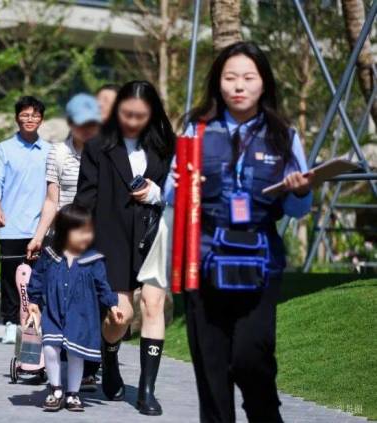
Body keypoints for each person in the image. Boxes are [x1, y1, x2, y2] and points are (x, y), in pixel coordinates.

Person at [169, 41, 313, 422]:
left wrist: (300, 190)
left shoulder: (284, 135)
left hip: (260, 265)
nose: (239, 86)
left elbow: (298, 210)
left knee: (252, 358)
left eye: (249, 77)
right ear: (218, 82)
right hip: (204, 264)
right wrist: (176, 184)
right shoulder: (196, 130)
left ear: (264, 83)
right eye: (230, 77)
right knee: (212, 373)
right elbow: (170, 194)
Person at [74, 81, 176, 415]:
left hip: (155, 234)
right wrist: (76, 242)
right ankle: (109, 353)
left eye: (140, 115)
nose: (132, 121)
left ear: (152, 114)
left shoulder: (167, 146)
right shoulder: (97, 145)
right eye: (127, 114)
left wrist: (156, 193)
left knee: (152, 306)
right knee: (121, 316)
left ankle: (146, 391)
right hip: (111, 237)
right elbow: (86, 198)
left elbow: (179, 191)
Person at [27, 204, 122, 412]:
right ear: (64, 231)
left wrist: (113, 305)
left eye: (89, 231)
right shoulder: (49, 255)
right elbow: (37, 278)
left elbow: (102, 285)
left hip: (81, 314)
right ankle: (56, 390)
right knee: (50, 347)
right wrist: (33, 301)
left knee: (75, 354)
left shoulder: (93, 259)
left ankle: (73, 393)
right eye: (81, 231)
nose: (86, 236)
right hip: (53, 312)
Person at [0, 96, 50, 344]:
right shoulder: (3, 149)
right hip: (11, 225)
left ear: (41, 119)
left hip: (41, 227)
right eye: (25, 114)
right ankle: (10, 323)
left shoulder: (50, 151)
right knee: (10, 278)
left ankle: (37, 323)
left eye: (35, 115)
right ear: (17, 118)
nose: (30, 119)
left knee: (41, 277)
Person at [26, 93, 101, 259]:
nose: (87, 129)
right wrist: (38, 237)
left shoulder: (109, 154)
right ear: (70, 123)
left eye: (92, 124)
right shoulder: (59, 152)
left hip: (98, 238)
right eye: (81, 123)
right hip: (65, 238)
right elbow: (51, 201)